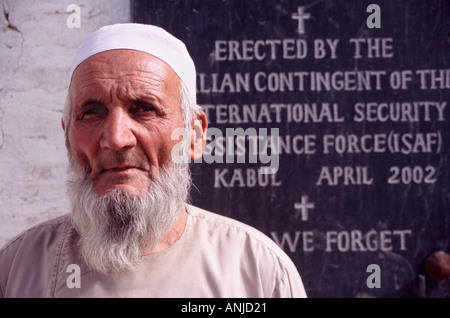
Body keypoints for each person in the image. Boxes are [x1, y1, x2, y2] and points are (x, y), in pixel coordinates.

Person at [0, 23, 307, 298]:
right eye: (92, 112)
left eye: (144, 108)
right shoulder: (16, 270)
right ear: (67, 137)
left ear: (195, 136)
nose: (117, 138)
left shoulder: (258, 272)